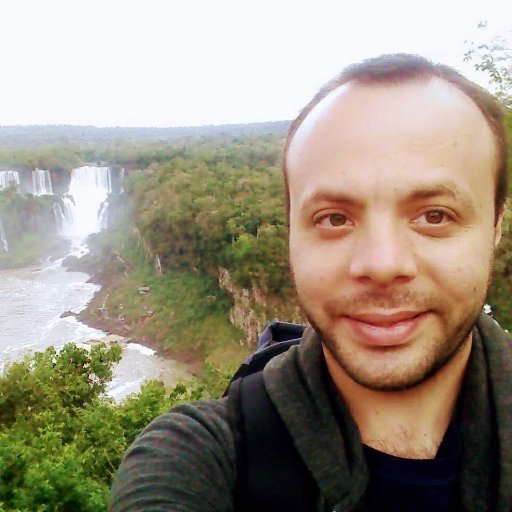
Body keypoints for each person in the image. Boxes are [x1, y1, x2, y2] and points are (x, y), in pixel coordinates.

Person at [109, 54, 512, 511]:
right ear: (291, 232)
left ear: (496, 227)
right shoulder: (203, 454)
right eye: (334, 218)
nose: (381, 265)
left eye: (434, 216)